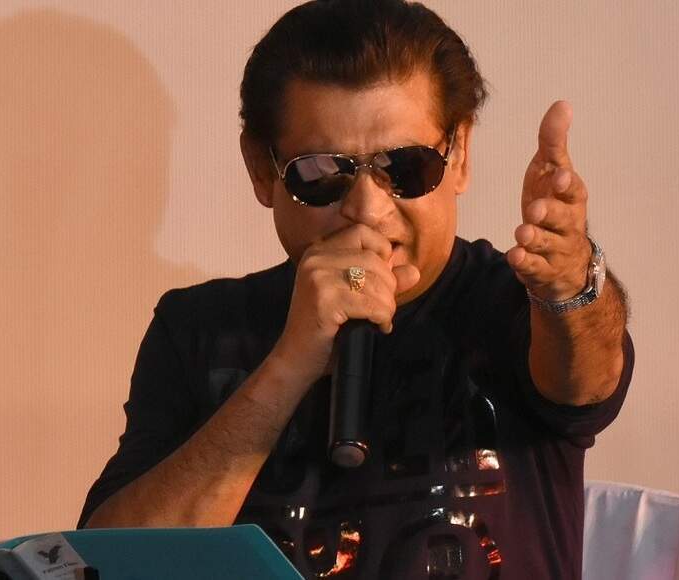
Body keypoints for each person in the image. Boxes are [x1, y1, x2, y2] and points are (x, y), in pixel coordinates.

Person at [79, 1, 634, 578]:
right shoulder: (199, 327)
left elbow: (586, 380)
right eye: (321, 173)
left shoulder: (514, 303)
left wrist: (570, 285)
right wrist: (290, 362)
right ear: (262, 171)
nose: (368, 208)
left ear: (460, 155)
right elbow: (109, 567)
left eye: (407, 166)